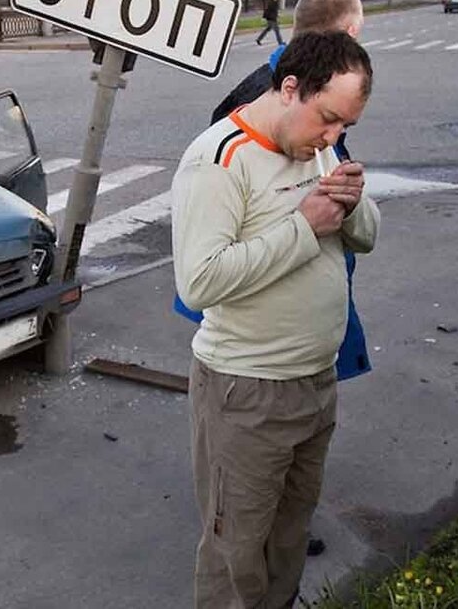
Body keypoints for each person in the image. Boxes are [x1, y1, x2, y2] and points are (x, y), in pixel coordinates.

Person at [172, 31, 380, 608]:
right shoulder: (218, 160)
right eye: (328, 118)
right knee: (236, 552)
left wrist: (354, 201)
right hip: (246, 393)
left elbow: (369, 237)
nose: (334, 137)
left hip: (315, 384)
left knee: (289, 538)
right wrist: (304, 226)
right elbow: (199, 280)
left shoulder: (319, 148)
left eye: (346, 128)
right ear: (290, 88)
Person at [201, 0, 372, 383]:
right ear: (350, 35)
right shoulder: (279, 103)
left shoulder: (264, 82)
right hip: (261, 358)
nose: (331, 133)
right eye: (330, 121)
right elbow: (211, 270)